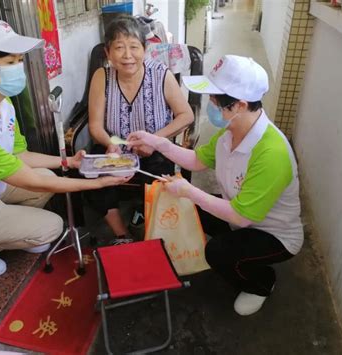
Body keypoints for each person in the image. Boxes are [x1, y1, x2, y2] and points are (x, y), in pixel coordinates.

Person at [0, 17, 130, 277]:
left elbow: (19, 155)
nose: (19, 69)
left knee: (47, 177)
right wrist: (99, 183)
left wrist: (68, 162)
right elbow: (34, 182)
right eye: (10, 62)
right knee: (51, 228)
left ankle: (10, 228)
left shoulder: (2, 101)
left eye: (20, 60)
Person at [128, 55, 304, 316]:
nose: (210, 103)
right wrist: (158, 142)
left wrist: (189, 191)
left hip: (272, 234)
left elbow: (241, 217)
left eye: (215, 99)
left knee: (217, 253)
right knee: (187, 205)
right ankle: (238, 251)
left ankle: (261, 282)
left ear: (240, 105)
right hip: (240, 216)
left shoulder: (271, 153)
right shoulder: (231, 131)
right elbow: (197, 160)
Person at [85, 15, 193, 244]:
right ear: (108, 52)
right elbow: (95, 125)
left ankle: (145, 217)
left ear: (144, 49)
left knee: (160, 169)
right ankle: (121, 235)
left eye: (134, 47)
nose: (127, 55)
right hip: (115, 146)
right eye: (119, 47)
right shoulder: (101, 76)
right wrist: (110, 144)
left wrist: (154, 141)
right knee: (93, 174)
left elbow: (186, 115)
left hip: (154, 147)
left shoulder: (161, 74)